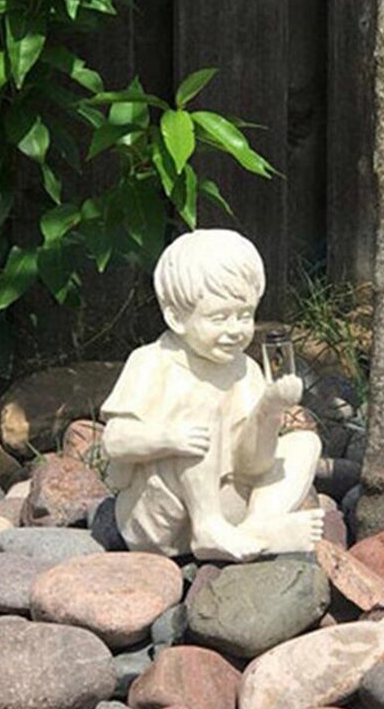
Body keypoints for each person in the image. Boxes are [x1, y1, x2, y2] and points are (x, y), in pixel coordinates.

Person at [100, 229, 324, 561]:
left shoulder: (245, 369)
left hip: (232, 503)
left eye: (244, 315)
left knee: (304, 443)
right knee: (195, 412)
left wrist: (270, 409)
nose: (235, 329)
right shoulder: (152, 362)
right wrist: (168, 438)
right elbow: (114, 442)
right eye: (219, 318)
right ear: (176, 318)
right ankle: (208, 528)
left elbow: (254, 462)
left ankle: (258, 527)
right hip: (162, 520)